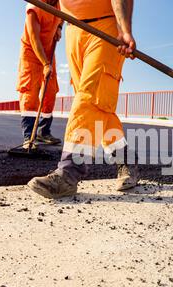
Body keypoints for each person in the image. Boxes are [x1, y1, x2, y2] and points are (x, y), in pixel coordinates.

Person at [28, 0, 138, 199]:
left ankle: (69, 172)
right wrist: (60, 25)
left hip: (105, 29)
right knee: (98, 104)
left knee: (89, 95)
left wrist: (125, 29)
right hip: (74, 30)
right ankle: (126, 160)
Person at [17, 0, 63, 149]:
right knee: (30, 92)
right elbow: (34, 39)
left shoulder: (60, 4)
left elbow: (63, 16)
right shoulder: (34, 8)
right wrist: (44, 64)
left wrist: (59, 27)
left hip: (49, 51)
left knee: (50, 91)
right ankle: (29, 137)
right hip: (31, 52)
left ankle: (44, 132)